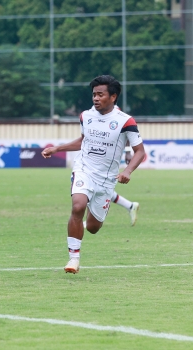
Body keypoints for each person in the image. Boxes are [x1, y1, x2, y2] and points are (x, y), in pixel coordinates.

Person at [41, 75, 145, 274]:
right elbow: (83, 141)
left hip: (106, 180)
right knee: (78, 205)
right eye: (94, 94)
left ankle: (89, 216)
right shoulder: (85, 116)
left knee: (93, 227)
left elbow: (140, 151)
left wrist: (128, 171)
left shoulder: (126, 122)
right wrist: (57, 148)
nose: (96, 98)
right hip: (84, 169)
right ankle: (74, 258)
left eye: (100, 94)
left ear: (113, 96)